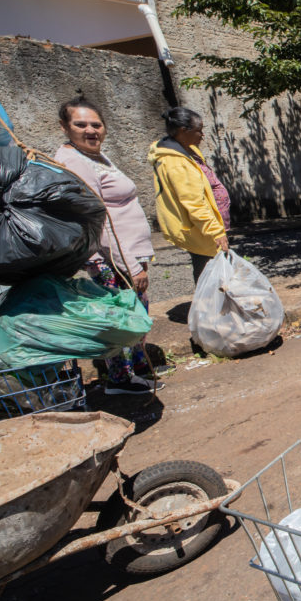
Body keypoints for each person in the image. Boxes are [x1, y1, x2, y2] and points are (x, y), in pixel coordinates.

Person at [54, 96, 161, 395]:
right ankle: (120, 378)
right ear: (64, 127)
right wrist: (131, 265)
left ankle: (138, 365)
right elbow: (98, 219)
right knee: (119, 316)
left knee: (135, 308)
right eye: (81, 124)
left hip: (124, 253)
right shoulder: (75, 161)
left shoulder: (94, 156)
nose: (91, 130)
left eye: (96, 124)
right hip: (110, 256)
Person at [149, 107, 230, 282]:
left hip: (209, 226)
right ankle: (209, 300)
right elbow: (193, 202)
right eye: (198, 130)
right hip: (203, 229)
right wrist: (216, 232)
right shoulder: (175, 162)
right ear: (183, 130)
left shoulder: (188, 149)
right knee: (208, 274)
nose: (202, 135)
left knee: (217, 271)